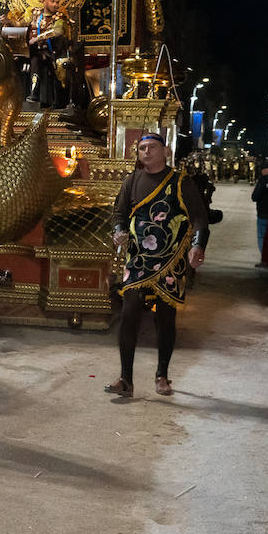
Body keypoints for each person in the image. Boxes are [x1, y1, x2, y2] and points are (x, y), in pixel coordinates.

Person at [106, 132, 209, 398]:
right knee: (129, 315)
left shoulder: (180, 182)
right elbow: (118, 213)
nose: (147, 152)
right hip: (139, 258)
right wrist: (118, 230)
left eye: (152, 147)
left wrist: (198, 245)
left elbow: (199, 217)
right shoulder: (132, 180)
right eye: (142, 148)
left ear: (165, 151)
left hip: (171, 258)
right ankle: (125, 379)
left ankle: (162, 374)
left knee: (165, 317)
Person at [26, 0, 70, 108]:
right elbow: (22, 23)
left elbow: (58, 31)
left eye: (57, 2)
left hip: (54, 52)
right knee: (32, 59)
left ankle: (45, 98)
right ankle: (32, 95)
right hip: (35, 51)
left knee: (42, 61)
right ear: (45, 1)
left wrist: (38, 38)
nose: (55, 4)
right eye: (52, 1)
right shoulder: (35, 13)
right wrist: (8, 21)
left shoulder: (59, 17)